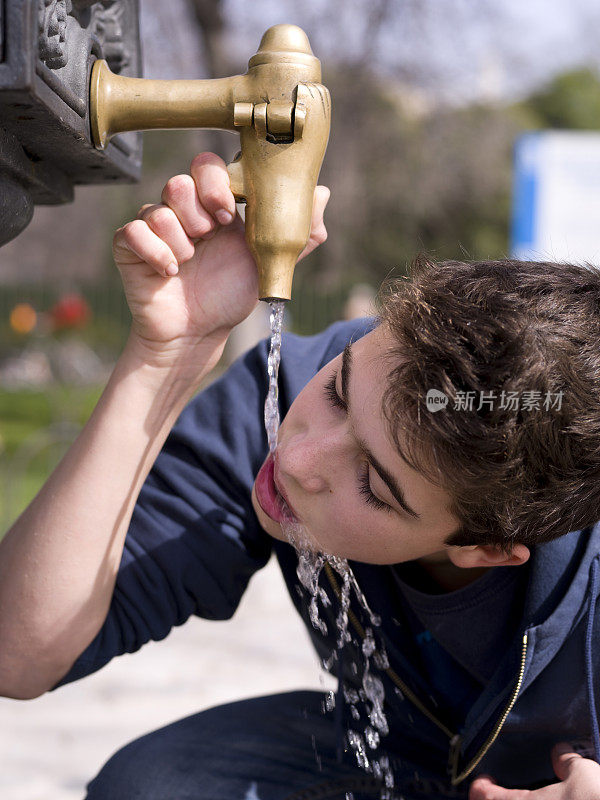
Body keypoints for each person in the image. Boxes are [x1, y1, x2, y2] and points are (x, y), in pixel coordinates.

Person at [1, 152, 600, 800]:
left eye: (374, 487)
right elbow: (20, 653)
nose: (297, 460)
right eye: (338, 392)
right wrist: (162, 358)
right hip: (397, 745)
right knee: (152, 787)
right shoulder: (281, 390)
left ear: (485, 549)